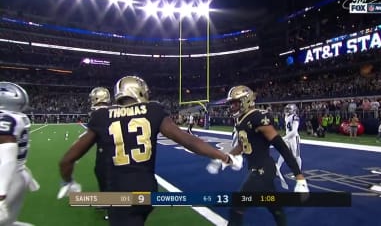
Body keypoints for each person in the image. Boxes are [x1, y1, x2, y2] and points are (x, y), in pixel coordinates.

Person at [58, 76, 239, 226]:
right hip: (148, 191)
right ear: (140, 92)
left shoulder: (101, 116)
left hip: (121, 195)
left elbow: (67, 160)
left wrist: (68, 182)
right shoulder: (153, 110)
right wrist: (223, 156)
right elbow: (188, 140)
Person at [207, 85, 309, 226]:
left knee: (237, 206)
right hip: (257, 168)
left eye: (235, 103)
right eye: (231, 103)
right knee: (274, 207)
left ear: (246, 101)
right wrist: (223, 159)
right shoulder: (240, 120)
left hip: (263, 170)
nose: (232, 107)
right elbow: (242, 146)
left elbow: (281, 146)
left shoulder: (258, 117)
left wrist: (299, 177)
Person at [0, 82, 40, 226]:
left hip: (6, 178)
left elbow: (8, 156)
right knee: (8, 222)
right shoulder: (19, 117)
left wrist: (1, 192)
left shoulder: (6, 118)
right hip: (18, 175)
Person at [89, 86, 112, 220]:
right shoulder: (114, 110)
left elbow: (95, 134)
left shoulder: (98, 113)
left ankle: (112, 207)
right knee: (101, 173)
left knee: (106, 176)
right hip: (109, 148)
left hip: (107, 149)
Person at [276, 103, 302, 190]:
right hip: (288, 138)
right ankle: (277, 167)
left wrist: (284, 137)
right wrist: (285, 137)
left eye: (288, 109)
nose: (287, 111)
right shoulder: (286, 116)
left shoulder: (295, 117)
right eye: (286, 109)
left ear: (293, 110)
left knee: (296, 156)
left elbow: (294, 132)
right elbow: (288, 129)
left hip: (294, 138)